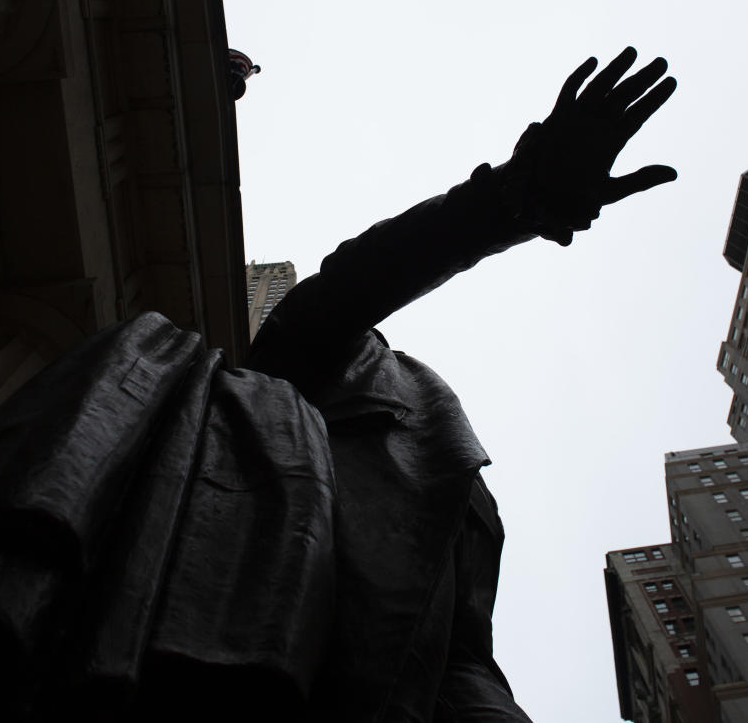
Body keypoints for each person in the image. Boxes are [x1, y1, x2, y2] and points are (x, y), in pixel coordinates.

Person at [247, 47, 677, 720]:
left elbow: (462, 656)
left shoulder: (468, 504)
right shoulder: (297, 396)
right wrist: (510, 200)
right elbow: (347, 287)